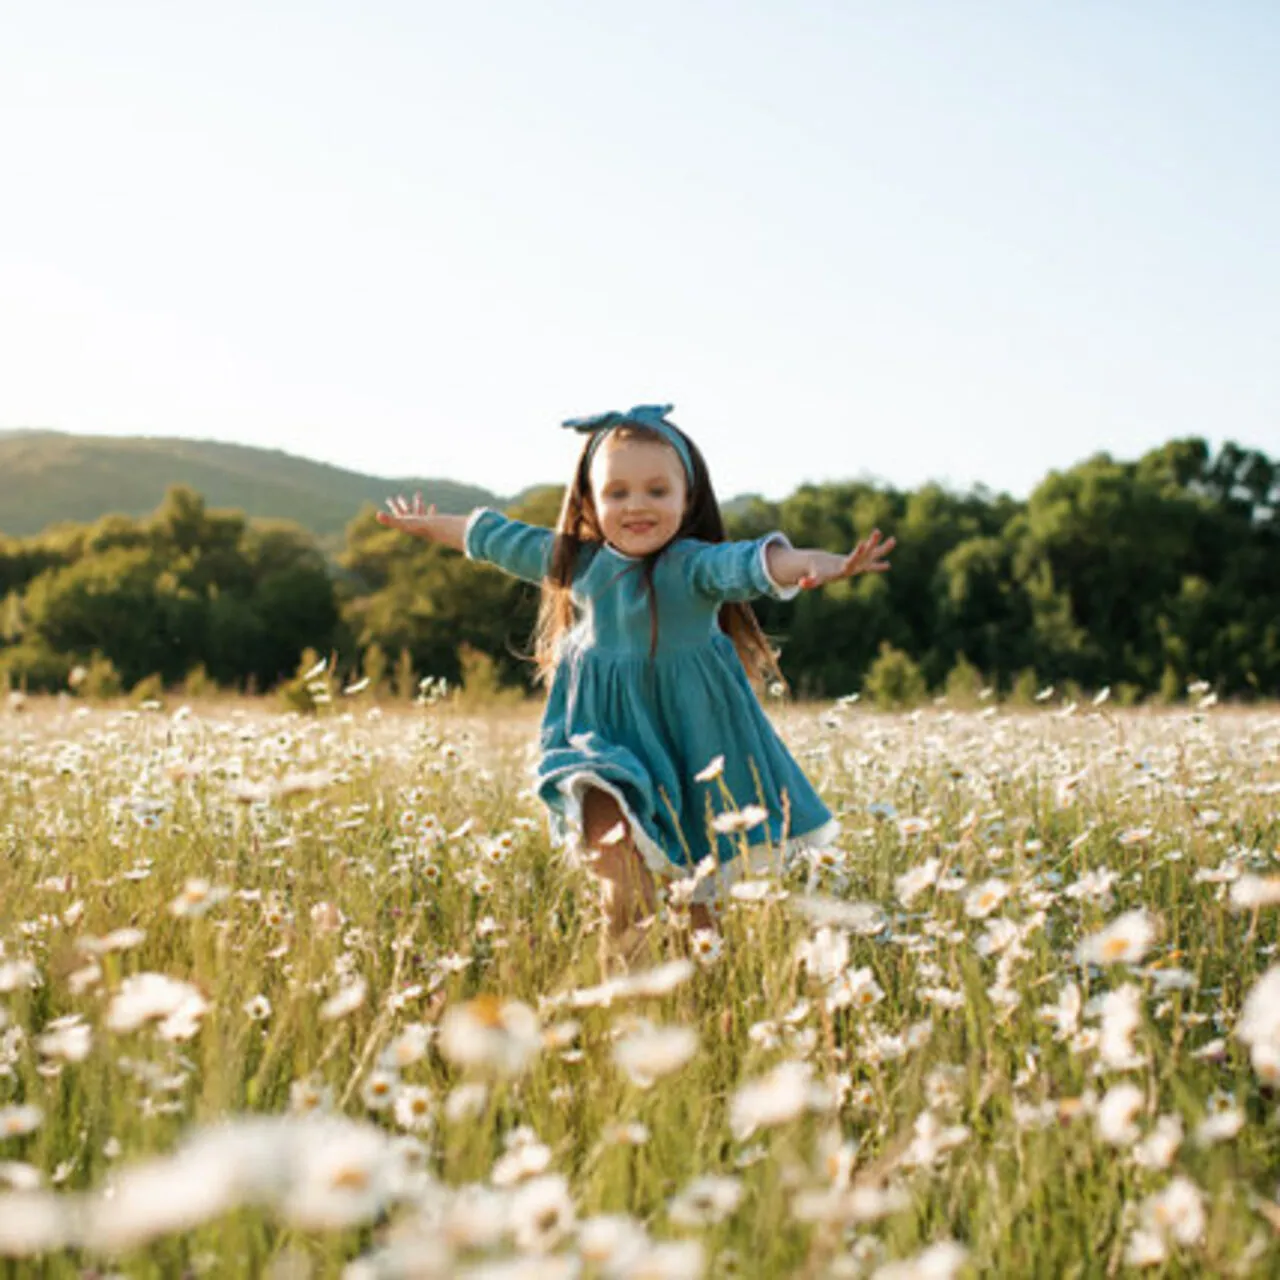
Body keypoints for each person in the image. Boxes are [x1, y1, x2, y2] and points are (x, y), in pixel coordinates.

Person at [376, 404, 893, 953]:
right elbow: (495, 538)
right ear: (591, 503)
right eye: (617, 493)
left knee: (700, 904)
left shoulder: (694, 567)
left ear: (686, 499)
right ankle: (623, 1003)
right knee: (622, 885)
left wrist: (827, 563)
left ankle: (691, 1006)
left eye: (656, 491)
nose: (637, 506)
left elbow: (757, 561)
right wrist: (428, 526)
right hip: (598, 743)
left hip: (693, 746)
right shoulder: (577, 563)